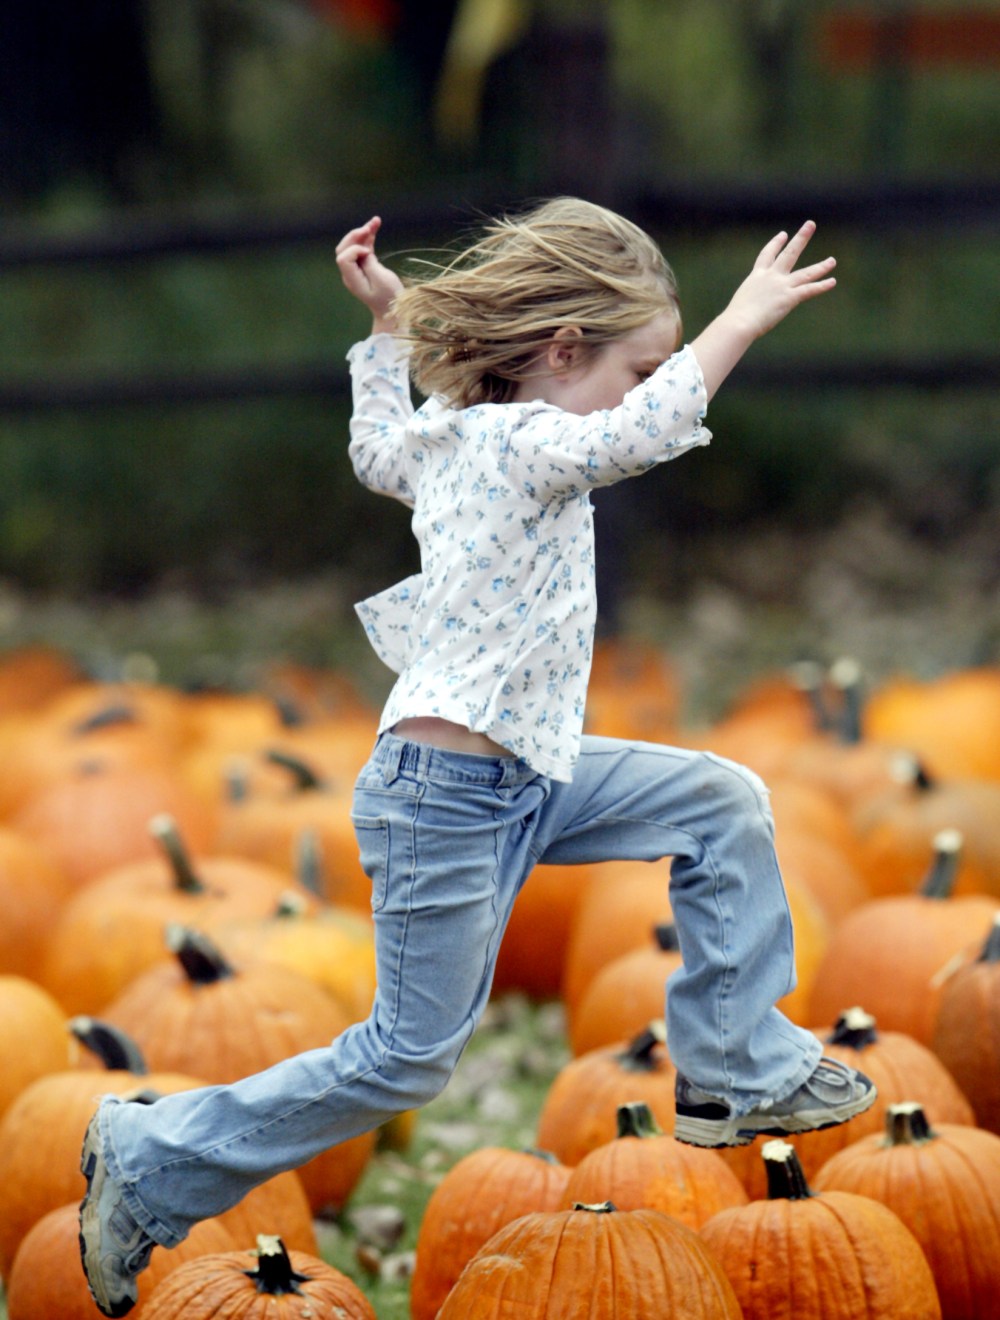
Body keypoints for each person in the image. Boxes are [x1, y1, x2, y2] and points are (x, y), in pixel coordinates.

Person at [79, 198, 875, 1316]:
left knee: (719, 799)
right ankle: (155, 1155)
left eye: (660, 369)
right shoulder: (526, 442)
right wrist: (739, 320)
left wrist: (386, 332)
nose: (645, 391)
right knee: (406, 1060)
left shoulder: (450, 435)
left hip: (526, 773)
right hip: (446, 800)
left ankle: (730, 1067)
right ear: (560, 353)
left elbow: (372, 450)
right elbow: (630, 437)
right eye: (634, 366)